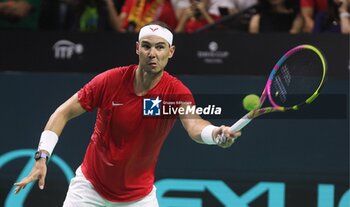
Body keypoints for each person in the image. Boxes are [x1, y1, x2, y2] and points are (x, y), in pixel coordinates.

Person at [13, 22, 241, 207]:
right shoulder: (109, 81)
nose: (152, 53)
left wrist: (215, 133)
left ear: (170, 52)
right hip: (89, 189)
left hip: (139, 198)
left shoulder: (176, 93)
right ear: (137, 48)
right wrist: (42, 157)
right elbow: (62, 113)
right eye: (146, 46)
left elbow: (195, 126)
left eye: (160, 47)